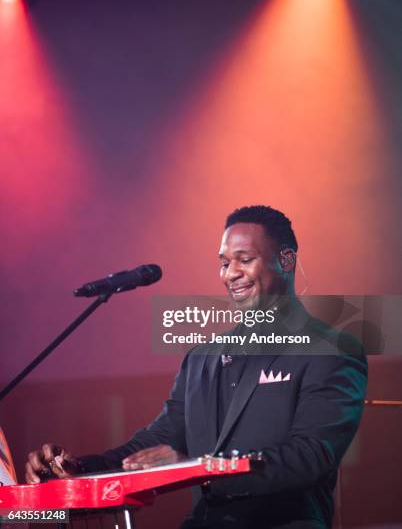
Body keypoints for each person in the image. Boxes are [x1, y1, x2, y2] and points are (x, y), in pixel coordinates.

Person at [25, 206, 367, 528]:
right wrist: (77, 467)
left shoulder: (331, 350)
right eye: (223, 263)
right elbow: (152, 443)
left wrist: (195, 468)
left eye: (244, 260)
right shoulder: (203, 357)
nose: (231, 274)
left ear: (286, 260)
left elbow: (308, 456)